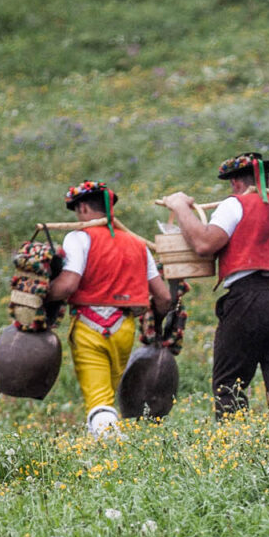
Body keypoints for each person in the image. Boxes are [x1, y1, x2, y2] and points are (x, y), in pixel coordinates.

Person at [158, 152, 269, 416]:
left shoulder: (234, 205)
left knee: (230, 384)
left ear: (235, 183)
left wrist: (180, 207)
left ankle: (235, 444)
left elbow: (204, 244)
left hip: (249, 299)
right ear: (267, 179)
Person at [47, 181, 173, 440]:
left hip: (88, 326)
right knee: (106, 393)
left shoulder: (79, 237)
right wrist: (156, 326)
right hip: (124, 327)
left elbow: (69, 284)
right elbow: (162, 296)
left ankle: (112, 450)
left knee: (98, 397)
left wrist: (41, 292)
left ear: (82, 207)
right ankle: (102, 433)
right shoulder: (137, 244)